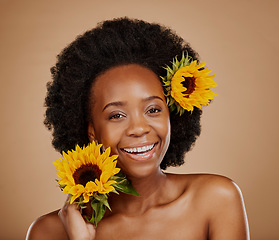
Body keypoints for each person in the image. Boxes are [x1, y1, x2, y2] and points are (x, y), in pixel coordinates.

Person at [26, 17, 250, 240]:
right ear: (91, 132)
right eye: (117, 115)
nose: (139, 128)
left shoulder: (216, 200)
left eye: (153, 110)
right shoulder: (48, 232)